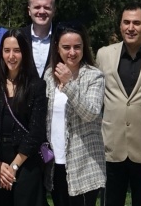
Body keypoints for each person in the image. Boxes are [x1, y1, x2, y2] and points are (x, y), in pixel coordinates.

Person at [96, 4, 141, 206]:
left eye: (136, 23)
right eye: (126, 22)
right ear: (120, 25)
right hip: (111, 148)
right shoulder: (104, 55)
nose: (130, 27)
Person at [44, 25, 105, 206]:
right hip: (55, 163)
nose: (72, 52)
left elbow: (91, 112)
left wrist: (69, 83)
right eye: (66, 47)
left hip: (84, 164)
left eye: (77, 47)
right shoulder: (49, 75)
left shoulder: (94, 76)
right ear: (57, 47)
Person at [0, 32, 47, 206]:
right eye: (7, 50)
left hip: (26, 162)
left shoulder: (36, 85)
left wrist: (14, 167)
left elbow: (36, 130)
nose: (11, 56)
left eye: (17, 50)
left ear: (25, 53)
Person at [19, 0, 56, 76]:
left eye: (47, 7)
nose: (42, 11)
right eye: (37, 7)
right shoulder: (19, 37)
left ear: (54, 11)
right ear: (29, 11)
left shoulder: (62, 37)